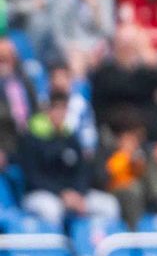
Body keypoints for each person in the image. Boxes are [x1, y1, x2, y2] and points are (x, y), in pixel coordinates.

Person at [20, 91, 121, 227]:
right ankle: (55, 248)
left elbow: (83, 171)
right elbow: (33, 177)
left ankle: (93, 243)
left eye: (63, 109)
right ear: (47, 110)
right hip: (41, 193)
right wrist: (62, 193)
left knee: (109, 205)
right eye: (55, 108)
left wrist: (77, 193)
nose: (59, 113)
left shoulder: (70, 138)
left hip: (73, 194)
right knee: (51, 209)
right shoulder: (32, 138)